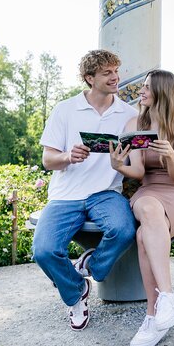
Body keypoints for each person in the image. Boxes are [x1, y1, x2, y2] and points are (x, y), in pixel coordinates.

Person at [32, 49, 138, 331]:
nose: (115, 77)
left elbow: (143, 158)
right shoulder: (65, 110)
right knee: (43, 251)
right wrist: (69, 156)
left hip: (106, 194)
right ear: (89, 78)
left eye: (116, 71)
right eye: (107, 73)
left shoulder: (129, 114)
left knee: (124, 229)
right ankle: (76, 292)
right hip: (65, 195)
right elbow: (47, 160)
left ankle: (93, 267)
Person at [109, 69, 174, 346]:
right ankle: (168, 298)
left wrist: (170, 155)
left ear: (162, 91)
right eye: (142, 87)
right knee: (147, 207)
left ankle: (152, 315)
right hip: (149, 189)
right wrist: (118, 165)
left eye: (147, 87)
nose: (141, 92)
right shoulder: (136, 123)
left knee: (142, 237)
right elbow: (137, 171)